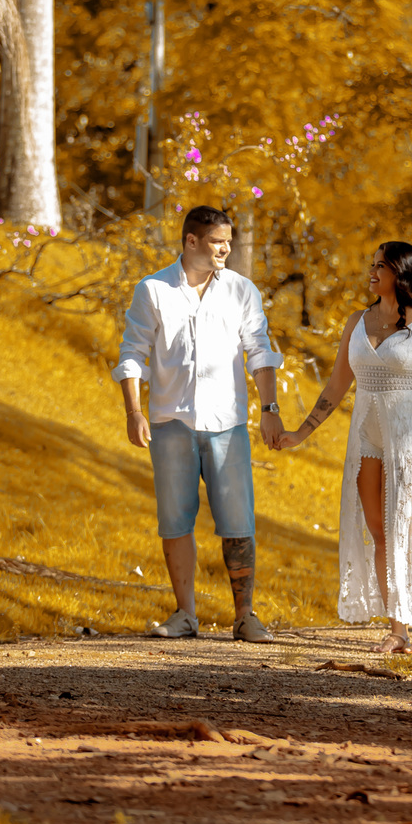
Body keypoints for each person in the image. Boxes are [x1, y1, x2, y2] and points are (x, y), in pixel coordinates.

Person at [113, 204, 285, 641]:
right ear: (191, 242)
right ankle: (185, 614)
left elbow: (260, 351)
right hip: (171, 422)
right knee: (174, 520)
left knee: (238, 520)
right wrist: (134, 411)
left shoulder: (241, 291)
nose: (225, 248)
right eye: (216, 241)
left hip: (226, 423)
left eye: (228, 241)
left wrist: (270, 409)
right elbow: (133, 352)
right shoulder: (153, 290)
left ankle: (245, 615)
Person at [278, 240, 412, 652]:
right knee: (379, 532)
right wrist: (301, 433)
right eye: (371, 264)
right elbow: (338, 383)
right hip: (366, 436)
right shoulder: (357, 322)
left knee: (411, 529)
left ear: (402, 272)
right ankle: (398, 630)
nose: (372, 272)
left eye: (381, 266)